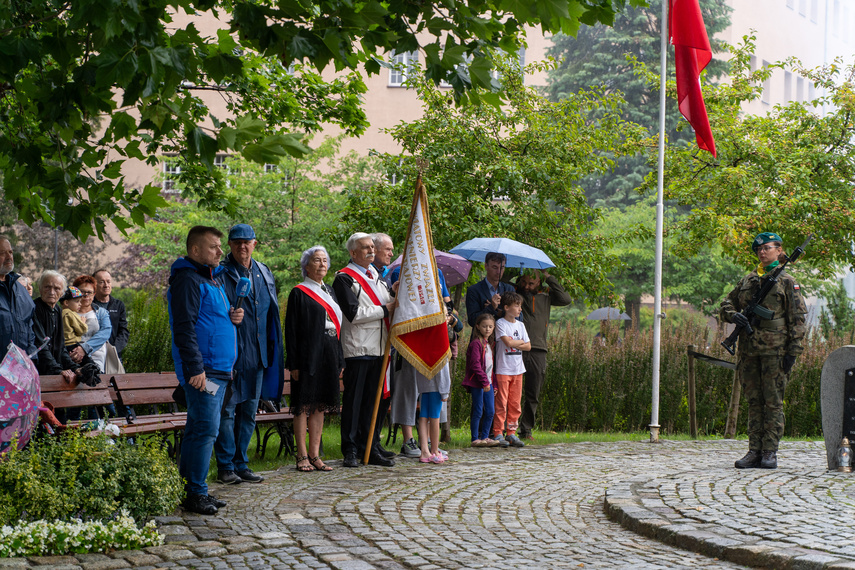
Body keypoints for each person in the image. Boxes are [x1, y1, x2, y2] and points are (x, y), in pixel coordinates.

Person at [168, 225, 243, 515]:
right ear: (195, 250)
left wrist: (233, 317)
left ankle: (191, 489)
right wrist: (195, 368)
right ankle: (195, 493)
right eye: (214, 247)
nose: (220, 251)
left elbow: (210, 321)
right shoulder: (187, 280)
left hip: (219, 370)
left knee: (199, 430)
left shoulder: (211, 280)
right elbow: (184, 328)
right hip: (205, 372)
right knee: (205, 430)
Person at [721, 232, 807, 470]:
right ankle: (754, 451)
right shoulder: (748, 280)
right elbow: (727, 303)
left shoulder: (787, 281)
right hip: (749, 350)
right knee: (754, 401)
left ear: (779, 251)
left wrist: (793, 352)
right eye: (758, 249)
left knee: (773, 402)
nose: (762, 252)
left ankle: (770, 452)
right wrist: (732, 314)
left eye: (767, 248)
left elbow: (797, 320)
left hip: (775, 351)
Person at [214, 223, 282, 485]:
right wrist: (228, 315)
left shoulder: (263, 272)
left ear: (255, 243)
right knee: (228, 411)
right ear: (229, 245)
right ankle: (225, 466)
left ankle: (242, 463)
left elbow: (270, 315)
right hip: (232, 355)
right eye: (237, 241)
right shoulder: (220, 273)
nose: (242, 246)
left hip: (259, 355)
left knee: (249, 413)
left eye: (247, 241)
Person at [332, 232, 397, 468]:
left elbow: (384, 303)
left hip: (379, 348)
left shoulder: (376, 276)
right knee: (354, 401)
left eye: (372, 246)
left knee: (372, 401)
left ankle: (367, 446)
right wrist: (385, 309)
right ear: (352, 252)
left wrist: (393, 293)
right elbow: (352, 314)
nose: (371, 250)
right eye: (365, 247)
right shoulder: (343, 279)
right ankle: (349, 449)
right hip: (358, 348)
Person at [285, 245, 344, 472]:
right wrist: (295, 364)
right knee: (303, 405)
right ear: (306, 266)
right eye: (317, 260)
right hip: (308, 356)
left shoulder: (329, 291)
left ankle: (315, 455)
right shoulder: (298, 292)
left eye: (325, 261)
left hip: (329, 352)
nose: (322, 264)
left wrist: (340, 359)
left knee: (320, 405)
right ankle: (301, 456)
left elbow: (338, 329)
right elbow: (291, 331)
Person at [515, 269, 571, 441]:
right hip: (516, 347)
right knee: (510, 391)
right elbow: (504, 283)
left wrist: (549, 277)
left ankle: (526, 430)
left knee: (533, 392)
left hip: (538, 349)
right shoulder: (516, 296)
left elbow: (565, 299)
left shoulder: (547, 297)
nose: (527, 286)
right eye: (524, 282)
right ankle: (505, 428)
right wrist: (515, 271)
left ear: (539, 282)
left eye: (531, 283)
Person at [490, 291, 530, 447]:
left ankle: (511, 433)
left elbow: (528, 346)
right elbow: (507, 342)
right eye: (517, 306)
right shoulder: (500, 323)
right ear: (506, 307)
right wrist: (518, 342)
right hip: (503, 369)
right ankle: (498, 432)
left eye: (520, 306)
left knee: (515, 403)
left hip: (518, 370)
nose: (520, 309)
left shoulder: (521, 325)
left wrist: (516, 342)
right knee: (501, 402)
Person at [32, 271, 80, 381]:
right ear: (40, 289)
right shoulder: (35, 308)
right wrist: (57, 370)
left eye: (57, 288)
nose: (51, 292)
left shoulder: (58, 310)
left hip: (53, 369)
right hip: (38, 371)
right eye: (47, 287)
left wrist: (74, 367)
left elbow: (60, 346)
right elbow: (40, 345)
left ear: (62, 293)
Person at [463, 313, 502, 448]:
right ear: (478, 326)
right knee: (478, 410)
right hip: (478, 383)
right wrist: (484, 382)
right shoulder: (476, 344)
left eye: (490, 326)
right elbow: (475, 365)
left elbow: (491, 368)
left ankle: (485, 437)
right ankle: (475, 438)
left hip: (488, 383)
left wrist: (494, 384)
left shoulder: (489, 344)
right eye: (485, 326)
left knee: (491, 411)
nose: (487, 329)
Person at [0, 236, 36, 358]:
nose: (9, 257)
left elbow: (29, 326)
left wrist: (32, 358)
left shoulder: (19, 288)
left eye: (10, 252)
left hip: (19, 369)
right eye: (2, 253)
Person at [465, 252, 517, 332]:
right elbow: (472, 321)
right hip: (482, 341)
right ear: (486, 266)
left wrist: (500, 313)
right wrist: (491, 307)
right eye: (495, 267)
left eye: (502, 267)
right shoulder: (474, 290)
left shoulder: (509, 289)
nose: (499, 272)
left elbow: (519, 317)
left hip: (505, 339)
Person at [70, 275, 112, 374]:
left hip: (97, 362)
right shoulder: (67, 313)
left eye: (89, 292)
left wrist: (84, 349)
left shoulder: (101, 313)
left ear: (94, 294)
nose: (86, 295)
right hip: (72, 360)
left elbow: (105, 332)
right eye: (82, 292)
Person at [92, 269, 130, 358]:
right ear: (94, 285)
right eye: (102, 282)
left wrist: (114, 349)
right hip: (94, 354)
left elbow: (123, 330)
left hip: (114, 354)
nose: (106, 285)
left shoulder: (118, 305)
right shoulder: (89, 305)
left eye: (108, 282)